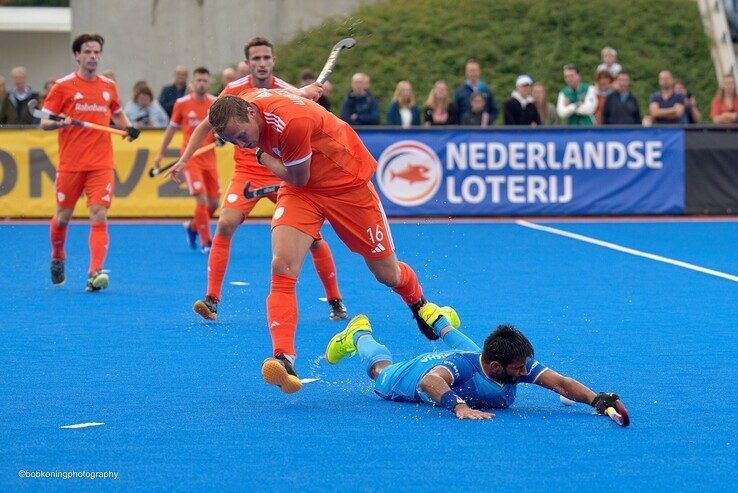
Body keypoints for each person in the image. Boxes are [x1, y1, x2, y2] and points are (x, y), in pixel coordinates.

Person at [202, 90, 447, 394]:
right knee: (282, 265)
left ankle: (419, 304)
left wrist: (262, 156)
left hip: (346, 185)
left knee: (387, 274)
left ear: (251, 113)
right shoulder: (247, 102)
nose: (242, 144)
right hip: (303, 193)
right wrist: (300, 93)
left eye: (241, 136)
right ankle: (284, 358)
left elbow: (297, 176)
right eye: (234, 142)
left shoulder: (292, 123)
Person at [168, 36, 347, 323]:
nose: (262, 63)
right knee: (225, 223)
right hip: (248, 173)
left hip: (282, 172)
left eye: (266, 58)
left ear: (273, 61)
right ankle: (212, 299)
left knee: (313, 238)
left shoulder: (287, 90)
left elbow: (307, 117)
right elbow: (205, 126)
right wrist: (184, 159)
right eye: (256, 59)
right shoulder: (234, 90)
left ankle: (335, 299)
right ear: (248, 63)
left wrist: (306, 95)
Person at [325, 304, 627, 421]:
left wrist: (595, 398)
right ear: (497, 366)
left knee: (473, 350)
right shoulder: (465, 366)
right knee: (380, 370)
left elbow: (560, 383)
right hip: (414, 373)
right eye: (519, 369)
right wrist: (459, 407)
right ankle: (358, 334)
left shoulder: (510, 363)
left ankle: (439, 320)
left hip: (470, 362)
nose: (526, 373)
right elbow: (430, 382)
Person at [40, 33, 139, 291]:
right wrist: (59, 122)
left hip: (101, 163)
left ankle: (94, 272)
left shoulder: (108, 86)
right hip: (71, 164)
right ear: (77, 55)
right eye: (87, 52)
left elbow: (117, 113)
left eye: (96, 52)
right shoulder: (62, 87)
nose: (93, 56)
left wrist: (128, 128)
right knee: (62, 218)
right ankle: (58, 256)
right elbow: (44, 122)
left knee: (99, 213)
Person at [154, 67, 219, 252]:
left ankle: (192, 227)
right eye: (198, 80)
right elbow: (171, 129)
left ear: (209, 82)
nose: (201, 84)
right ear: (193, 82)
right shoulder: (181, 103)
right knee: (202, 200)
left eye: (205, 81)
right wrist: (160, 153)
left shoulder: (215, 103)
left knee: (214, 204)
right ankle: (207, 242)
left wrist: (222, 139)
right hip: (190, 159)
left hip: (209, 158)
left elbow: (221, 130)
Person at [454, 59, 498, 123]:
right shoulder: (459, 91)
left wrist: (487, 121)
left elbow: (494, 111)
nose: (473, 73)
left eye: (475, 70)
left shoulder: (487, 90)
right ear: (466, 72)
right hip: (465, 130)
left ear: (479, 71)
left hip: (484, 130)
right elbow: (456, 112)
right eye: (470, 70)